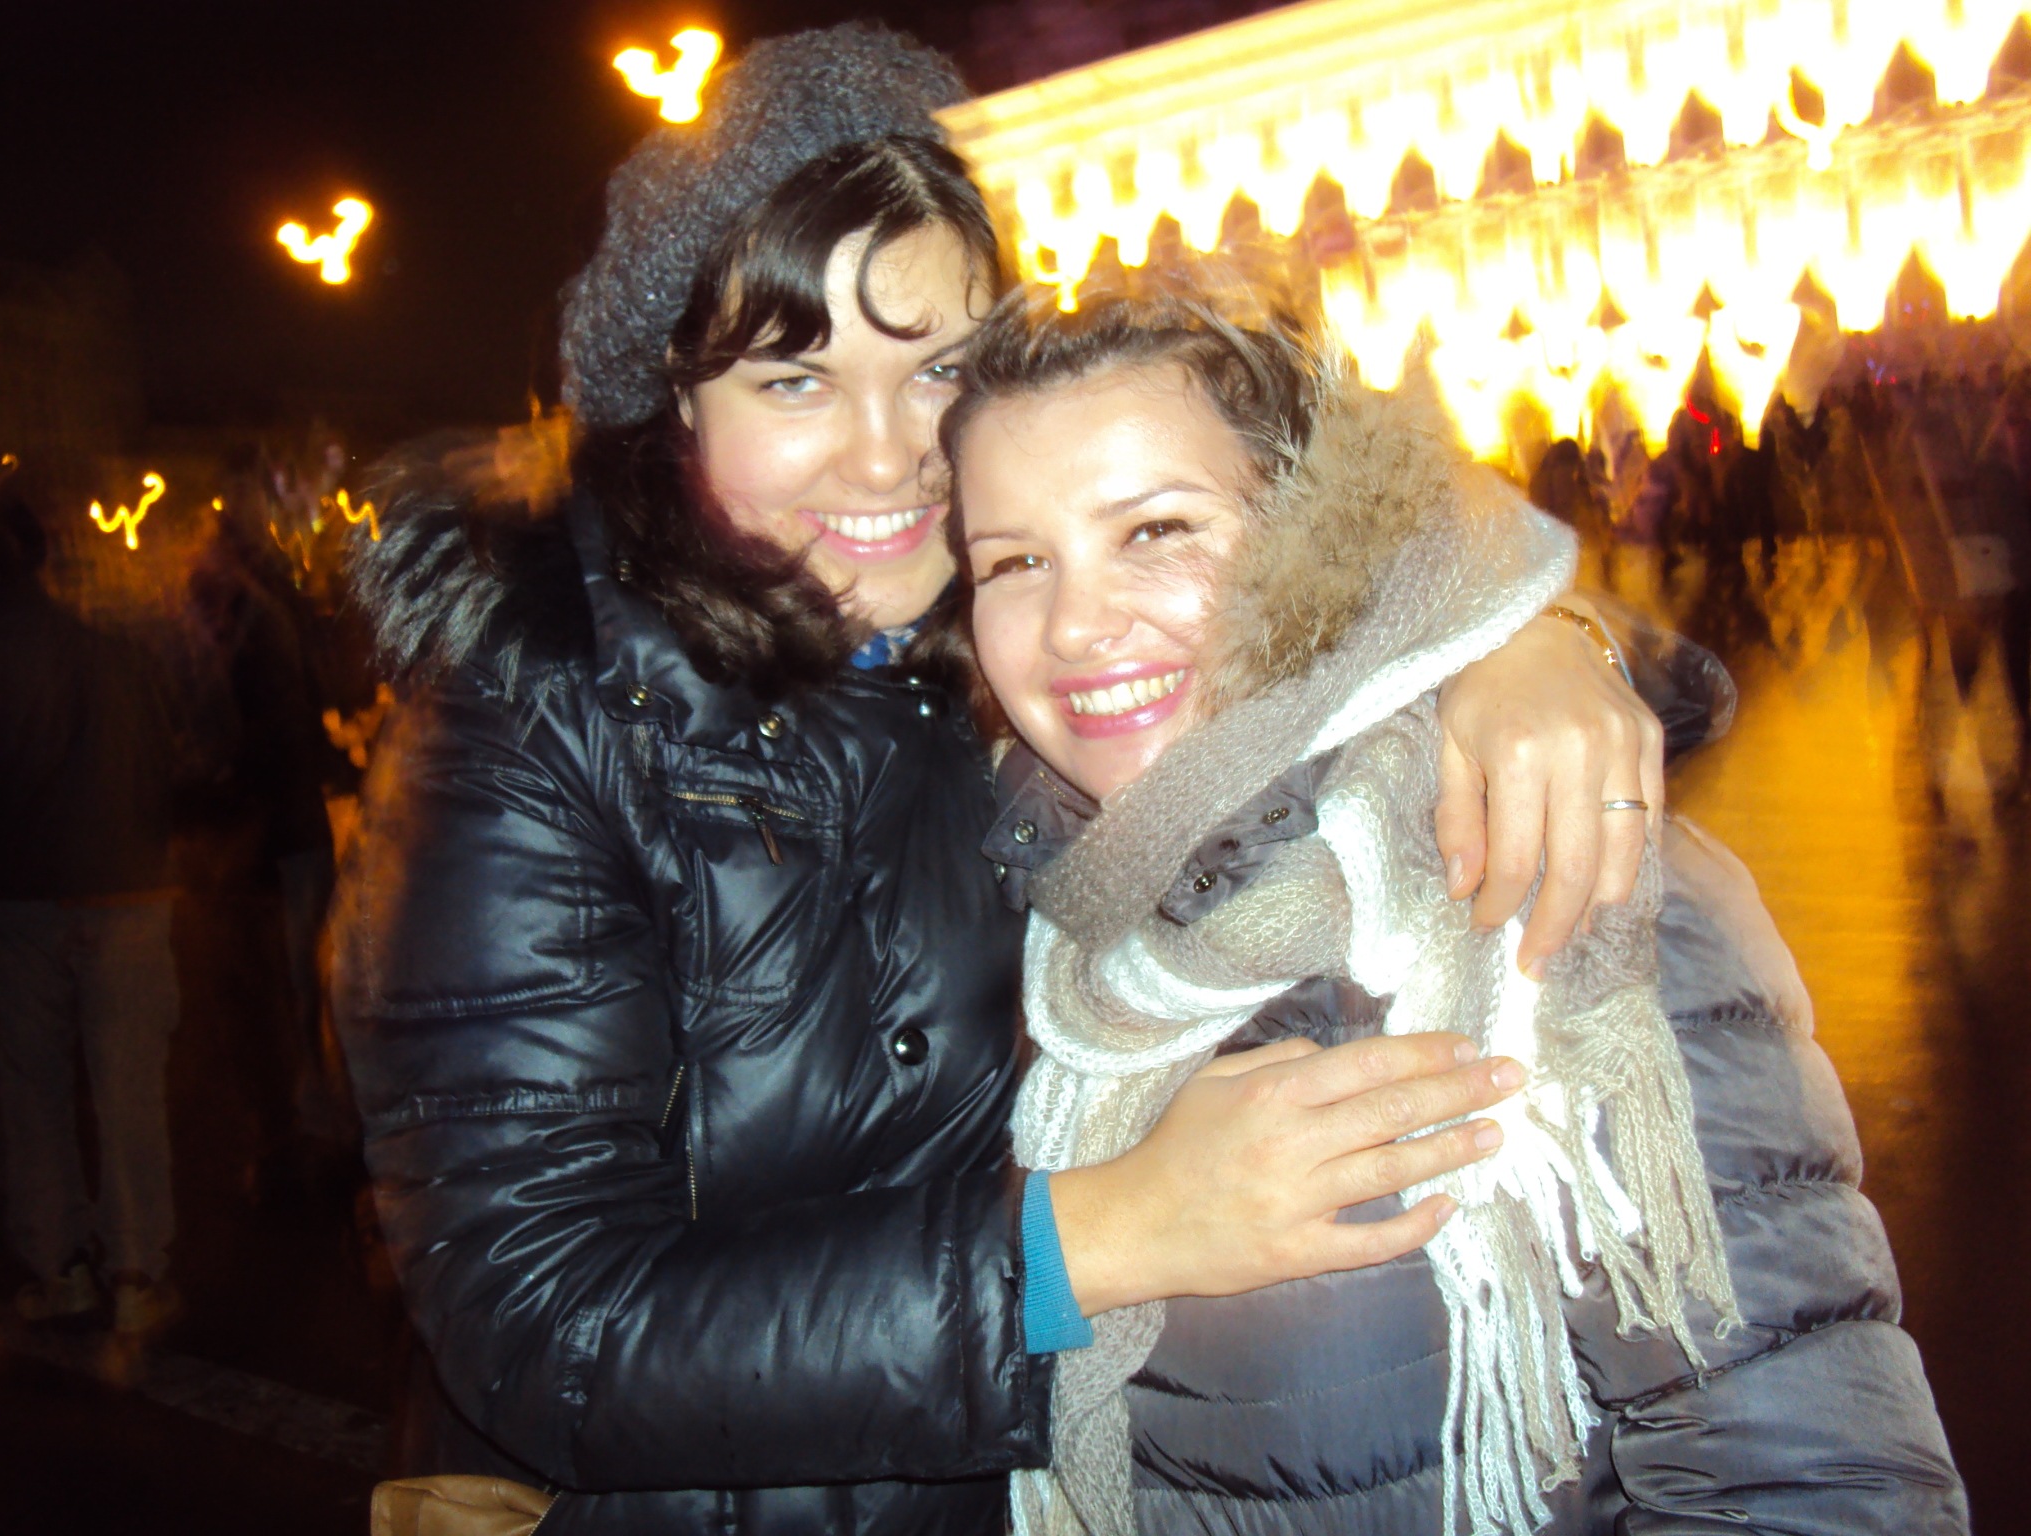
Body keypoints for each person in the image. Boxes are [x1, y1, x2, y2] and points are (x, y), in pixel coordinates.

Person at [331, 27, 1719, 1533]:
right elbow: (548, 1325)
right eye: (794, 380)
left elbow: (1315, 556)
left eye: (935, 369)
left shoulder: (1006, 636)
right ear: (678, 406)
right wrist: (1101, 1235)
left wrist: (1524, 640)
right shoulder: (535, 723)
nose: (886, 461)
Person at [945, 263, 1966, 1533]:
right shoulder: (1035, 928)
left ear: (1311, 544)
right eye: (1014, 560)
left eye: (1155, 530)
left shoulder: (1550, 875)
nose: (1073, 626)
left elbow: (1802, 1480)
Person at [0, 495, 183, 1336]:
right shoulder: (117, 639)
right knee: (128, 1087)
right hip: (127, 888)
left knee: (33, 1088)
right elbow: (176, 752)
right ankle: (134, 1273)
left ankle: (61, 1264)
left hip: (19, 894)